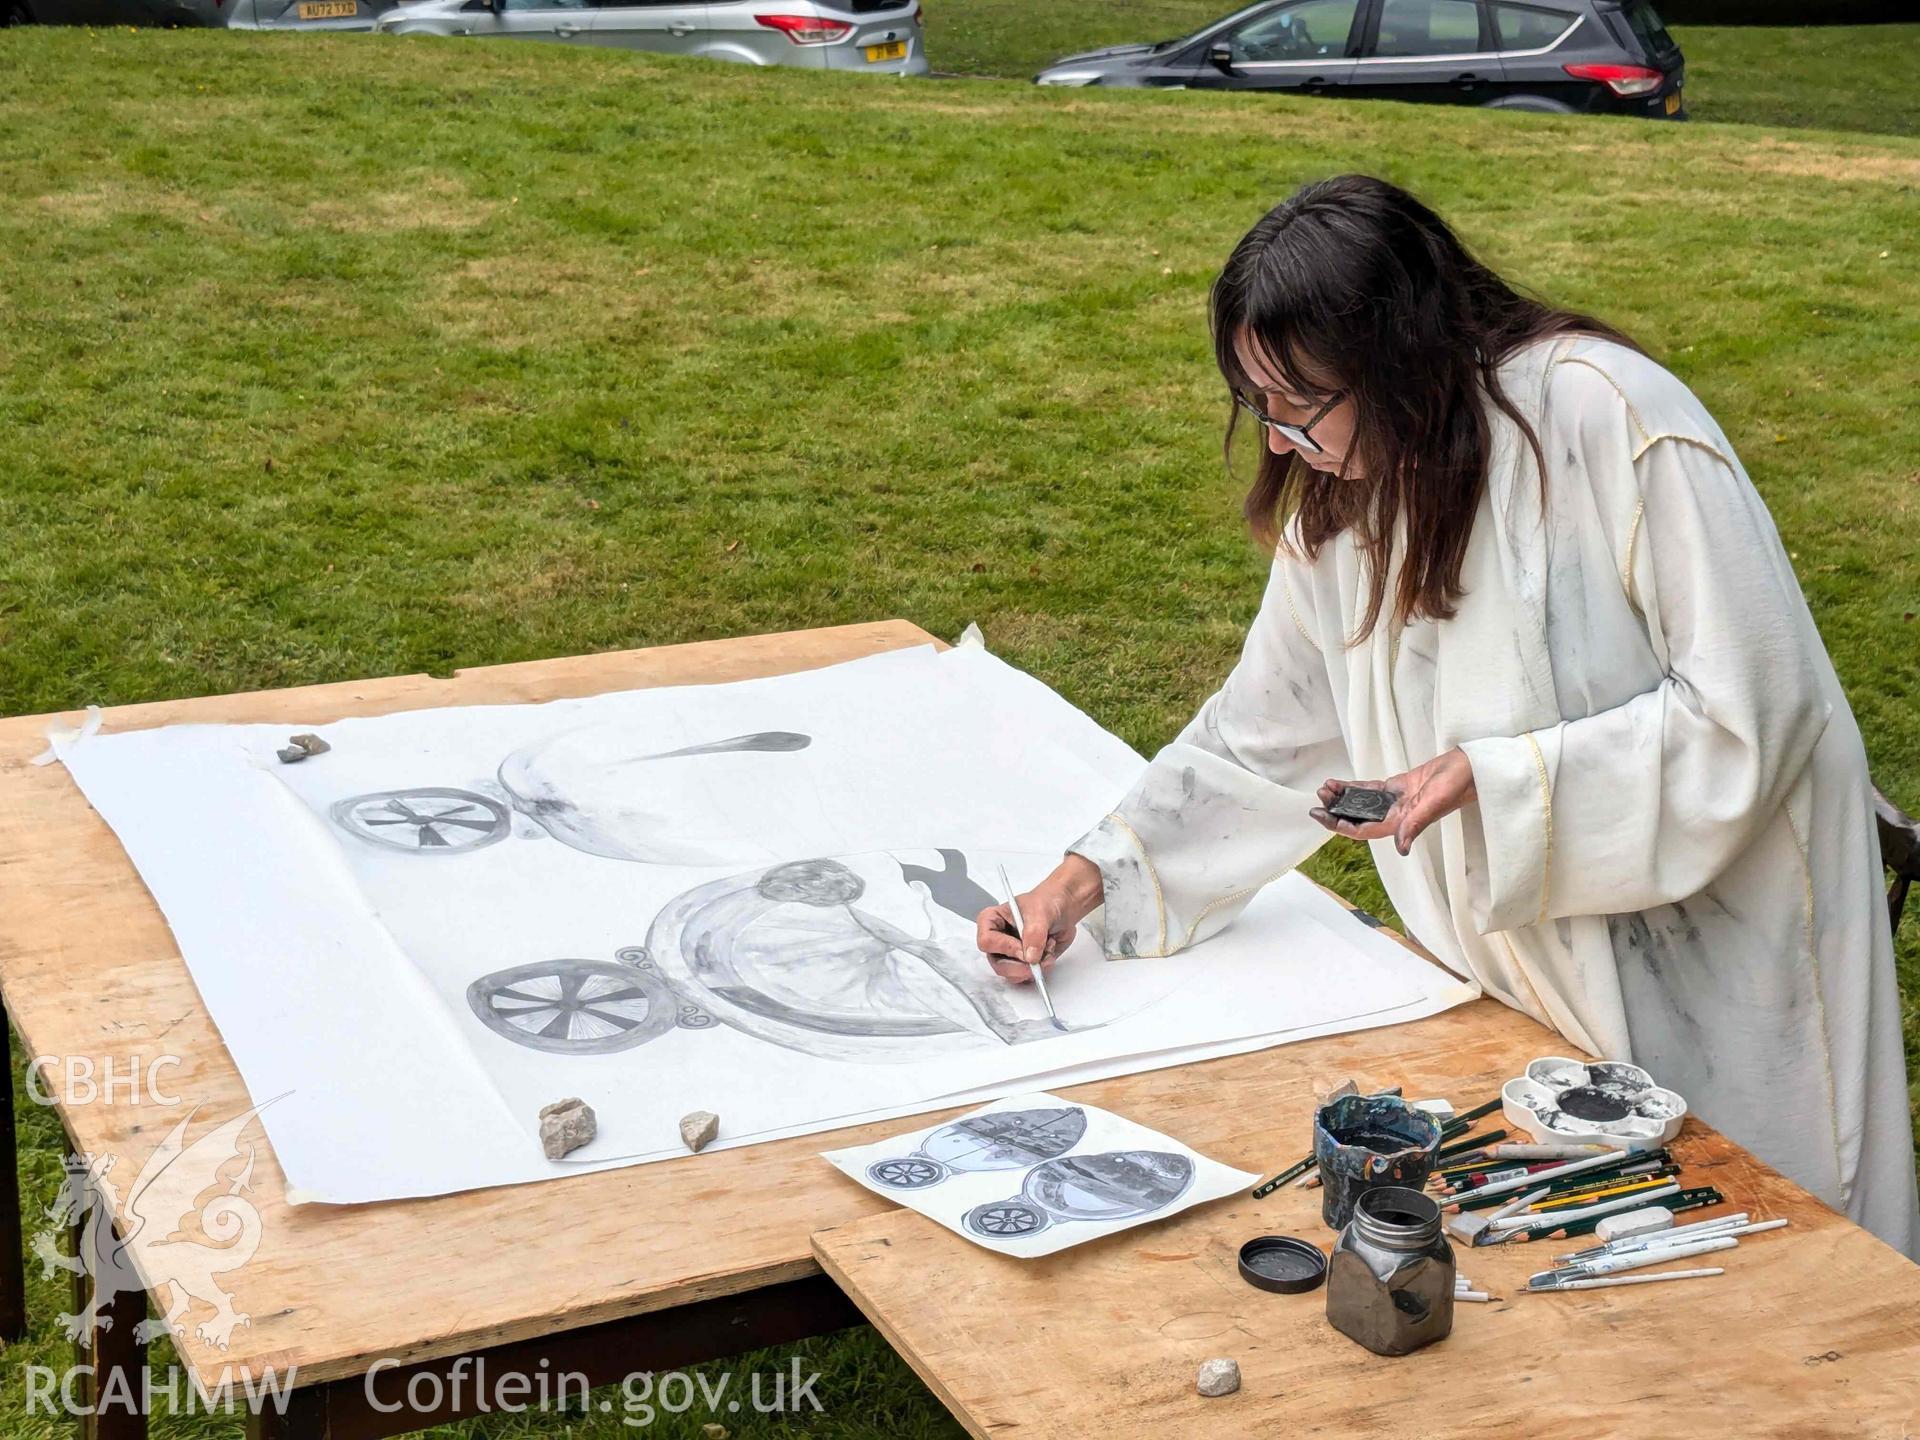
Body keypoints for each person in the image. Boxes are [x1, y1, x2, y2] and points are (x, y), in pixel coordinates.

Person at [974, 174, 1918, 1256]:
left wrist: (1501, 778)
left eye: (1299, 404)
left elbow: (1757, 713)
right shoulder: (1348, 488)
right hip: (1521, 978)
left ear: (1403, 360)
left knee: (1773, 1264)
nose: (1278, 443)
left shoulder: (1612, 419)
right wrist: (1093, 875)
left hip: (1715, 964)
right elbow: (1268, 728)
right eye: (1257, 405)